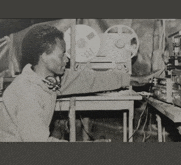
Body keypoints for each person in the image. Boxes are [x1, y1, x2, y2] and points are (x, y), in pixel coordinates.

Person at [0, 24, 130, 142]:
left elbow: (89, 80)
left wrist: (128, 79)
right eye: (61, 55)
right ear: (44, 56)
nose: (67, 59)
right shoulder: (28, 94)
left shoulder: (49, 79)